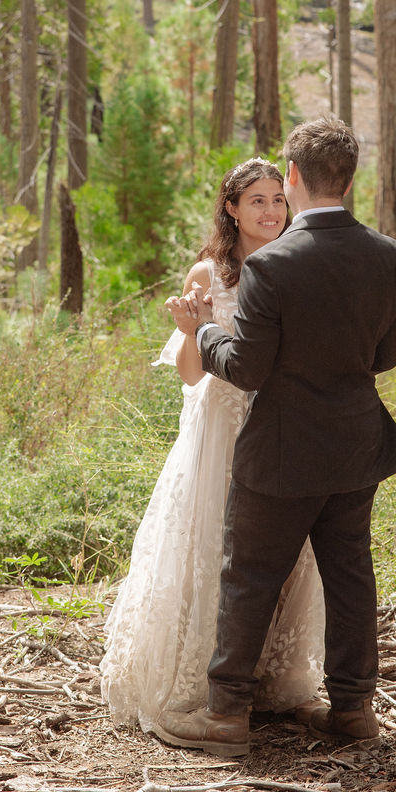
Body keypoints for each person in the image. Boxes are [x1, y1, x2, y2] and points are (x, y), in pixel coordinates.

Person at [162, 116, 396, 757]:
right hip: (357, 445)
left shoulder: (272, 266)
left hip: (280, 447)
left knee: (249, 574)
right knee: (351, 573)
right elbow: (385, 357)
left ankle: (225, 717)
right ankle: (354, 707)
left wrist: (206, 333)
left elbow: (245, 367)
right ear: (349, 177)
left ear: (294, 176)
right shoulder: (389, 256)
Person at [100, 158, 325, 738]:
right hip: (220, 429)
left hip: (280, 426)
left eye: (278, 198)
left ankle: (273, 678)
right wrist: (195, 326)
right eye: (257, 201)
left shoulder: (298, 262)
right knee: (214, 546)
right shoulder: (209, 274)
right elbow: (190, 376)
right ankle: (203, 682)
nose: (272, 211)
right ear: (231, 208)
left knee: (283, 553)